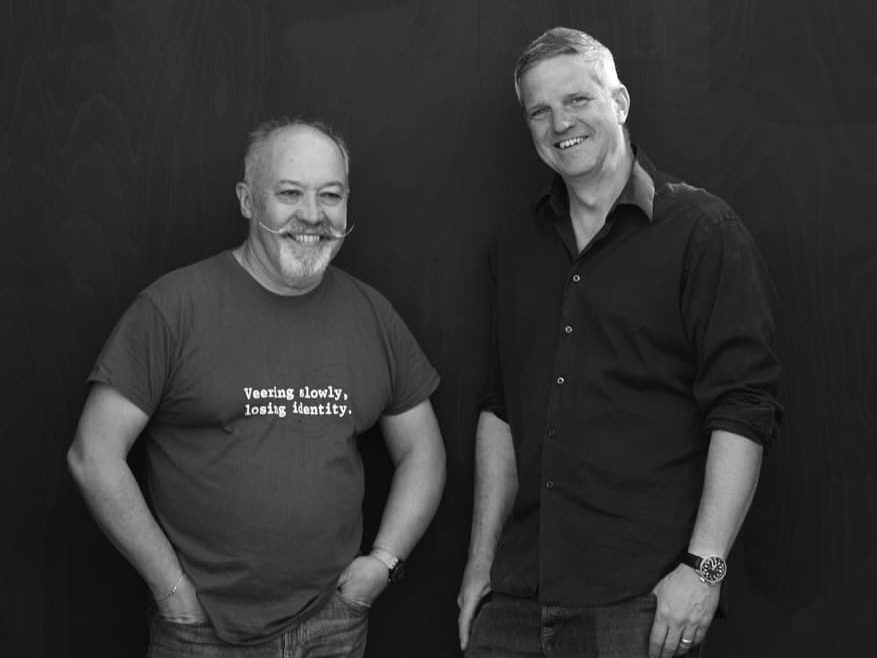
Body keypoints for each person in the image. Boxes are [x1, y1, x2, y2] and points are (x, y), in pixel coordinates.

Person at [458, 27, 782, 658]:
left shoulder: (703, 232)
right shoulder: (515, 248)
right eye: (539, 111)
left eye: (577, 100)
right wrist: (480, 566)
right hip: (515, 598)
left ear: (621, 102)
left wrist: (705, 569)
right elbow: (501, 411)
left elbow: (744, 407)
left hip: (641, 603)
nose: (560, 124)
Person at [67, 118, 446, 657]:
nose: (312, 216)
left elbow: (423, 450)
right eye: (289, 194)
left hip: (333, 625)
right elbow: (93, 454)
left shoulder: (371, 314)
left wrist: (383, 564)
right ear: (248, 201)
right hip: (201, 631)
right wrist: (171, 588)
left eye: (330, 196)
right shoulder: (173, 308)